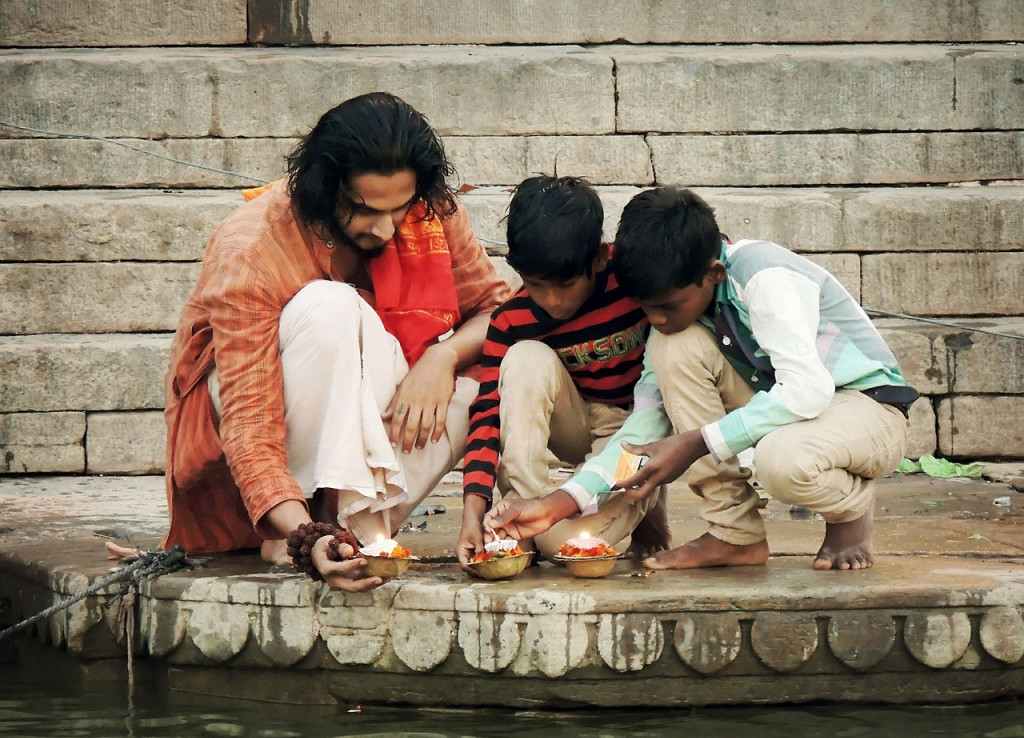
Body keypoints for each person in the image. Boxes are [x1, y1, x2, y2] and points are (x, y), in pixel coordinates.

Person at [161, 92, 510, 591]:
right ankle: (310, 527)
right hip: (259, 441)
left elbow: (500, 313)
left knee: (483, 388)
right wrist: (304, 534)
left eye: (401, 207)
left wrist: (443, 355)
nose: (387, 229)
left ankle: (353, 530)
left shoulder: (432, 213)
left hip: (371, 429)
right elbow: (250, 423)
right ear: (327, 189)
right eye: (365, 210)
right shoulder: (253, 249)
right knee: (333, 307)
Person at [485, 186, 917, 571]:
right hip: (800, 412)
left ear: (713, 274)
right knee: (675, 348)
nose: (655, 320)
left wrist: (693, 442)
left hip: (868, 407)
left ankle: (851, 512)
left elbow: (807, 390)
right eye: (646, 308)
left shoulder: (763, 277)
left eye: (668, 307)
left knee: (782, 462)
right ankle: (736, 533)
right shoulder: (677, 327)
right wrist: (560, 502)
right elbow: (641, 433)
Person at [457, 175, 668, 570]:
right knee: (524, 357)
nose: (551, 300)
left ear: (600, 258)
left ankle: (649, 495)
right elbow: (486, 415)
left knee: (562, 545)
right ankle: (519, 513)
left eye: (566, 284)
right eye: (536, 284)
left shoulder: (632, 278)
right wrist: (473, 511)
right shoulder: (512, 320)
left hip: (635, 433)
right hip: (573, 419)